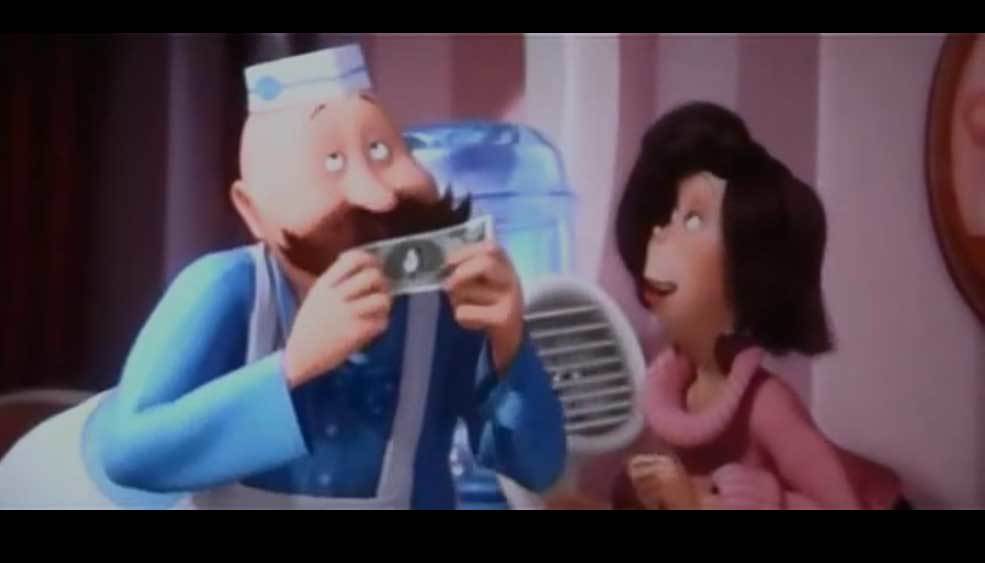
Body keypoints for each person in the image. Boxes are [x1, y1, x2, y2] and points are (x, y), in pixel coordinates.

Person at [0, 45, 566, 509]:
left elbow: (538, 470)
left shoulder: (438, 310)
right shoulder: (225, 290)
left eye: (381, 151)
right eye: (332, 163)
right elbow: (129, 455)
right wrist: (295, 363)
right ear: (253, 210)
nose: (376, 194)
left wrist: (510, 347)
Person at [610, 102, 904, 510]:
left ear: (749, 266)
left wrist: (716, 501)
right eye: (664, 216)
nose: (659, 234)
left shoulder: (768, 407)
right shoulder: (673, 393)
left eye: (692, 219)